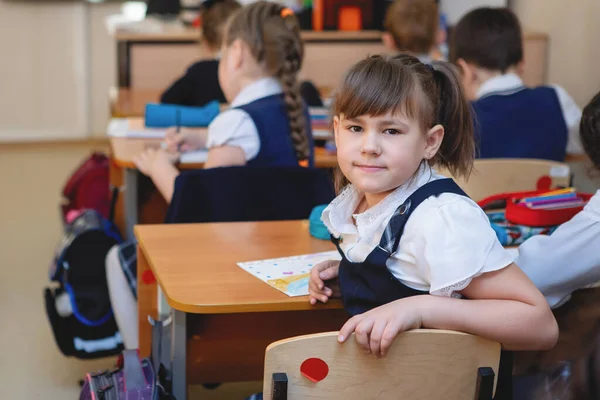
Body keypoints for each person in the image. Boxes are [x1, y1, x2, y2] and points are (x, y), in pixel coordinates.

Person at [308, 54, 558, 399]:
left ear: (430, 142)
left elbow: (539, 325)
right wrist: (349, 273)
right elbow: (407, 271)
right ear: (336, 130)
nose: (369, 147)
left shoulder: (441, 217)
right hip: (387, 384)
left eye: (391, 130)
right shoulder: (365, 199)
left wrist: (420, 308)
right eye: (355, 128)